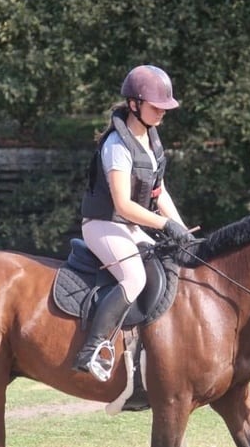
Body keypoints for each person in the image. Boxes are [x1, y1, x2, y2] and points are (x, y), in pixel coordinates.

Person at [73, 64, 194, 376]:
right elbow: (123, 205)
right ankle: (92, 349)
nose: (162, 113)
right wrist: (165, 226)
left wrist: (182, 229)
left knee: (171, 264)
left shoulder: (151, 143)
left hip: (129, 227)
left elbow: (159, 193)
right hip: (103, 225)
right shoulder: (117, 146)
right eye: (156, 107)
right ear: (134, 105)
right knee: (134, 278)